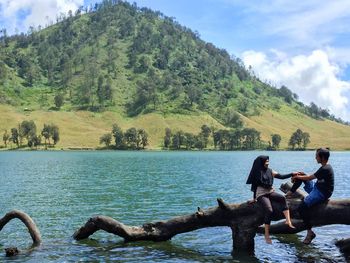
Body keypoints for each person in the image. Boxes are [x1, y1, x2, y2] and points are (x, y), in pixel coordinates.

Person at [285, 148, 334, 244]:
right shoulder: (323, 167)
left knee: (302, 208)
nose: (315, 158)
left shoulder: (326, 168)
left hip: (322, 193)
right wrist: (299, 176)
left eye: (317, 156)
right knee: (301, 174)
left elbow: (310, 177)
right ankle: (290, 192)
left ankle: (309, 232)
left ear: (322, 157)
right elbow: (308, 177)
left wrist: (296, 177)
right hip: (317, 188)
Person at [246, 155, 296, 244]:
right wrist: (254, 199)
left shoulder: (270, 171)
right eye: (266, 162)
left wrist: (292, 174)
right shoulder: (257, 172)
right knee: (269, 210)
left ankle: (288, 221)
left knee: (282, 198)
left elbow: (281, 176)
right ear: (261, 163)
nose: (268, 163)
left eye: (268, 161)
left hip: (270, 192)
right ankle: (266, 234)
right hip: (261, 194)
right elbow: (254, 187)